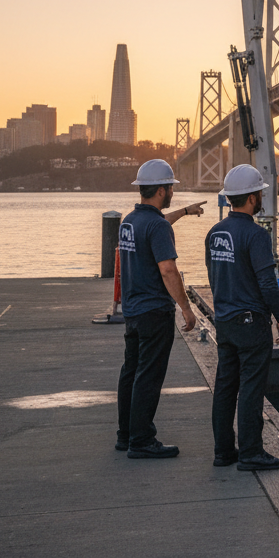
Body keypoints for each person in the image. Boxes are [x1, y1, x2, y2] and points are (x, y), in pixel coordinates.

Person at [205, 164, 279, 471]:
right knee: (252, 387)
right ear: (252, 198)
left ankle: (223, 451)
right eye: (260, 193)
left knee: (225, 387)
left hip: (225, 321)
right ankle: (252, 451)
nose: (261, 197)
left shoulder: (215, 233)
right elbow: (267, 282)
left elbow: (214, 275)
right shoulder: (256, 235)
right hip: (251, 323)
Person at [117, 159, 203, 458]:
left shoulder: (130, 221)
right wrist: (187, 308)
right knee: (149, 376)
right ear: (163, 190)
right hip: (154, 311)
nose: (172, 193)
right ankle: (142, 441)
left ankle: (126, 434)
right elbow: (168, 270)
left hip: (132, 311)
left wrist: (186, 212)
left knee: (131, 371)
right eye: (170, 189)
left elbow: (158, 224)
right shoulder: (155, 226)